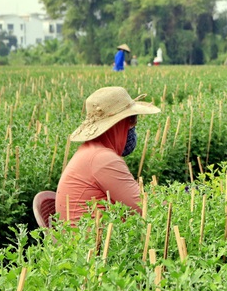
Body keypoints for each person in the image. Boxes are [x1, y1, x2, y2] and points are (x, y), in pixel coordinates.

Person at [55, 86, 161, 224]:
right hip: (91, 243)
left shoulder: (91, 151)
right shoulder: (102, 159)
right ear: (117, 124)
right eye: (131, 120)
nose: (133, 126)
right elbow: (147, 209)